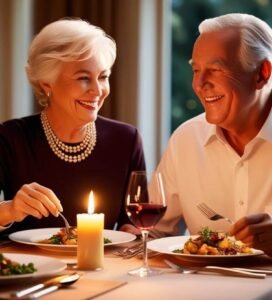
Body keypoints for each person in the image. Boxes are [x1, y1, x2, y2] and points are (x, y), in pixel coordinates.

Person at [0, 18, 145, 235]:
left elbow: (132, 223)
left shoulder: (126, 139)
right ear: (47, 83)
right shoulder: (10, 137)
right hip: (31, 267)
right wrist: (9, 210)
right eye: (84, 78)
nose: (98, 90)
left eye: (103, 77)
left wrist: (136, 233)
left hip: (105, 268)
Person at [149, 13, 272, 257]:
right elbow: (156, 233)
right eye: (196, 70)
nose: (199, 84)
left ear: (261, 74)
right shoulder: (186, 139)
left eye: (215, 69)